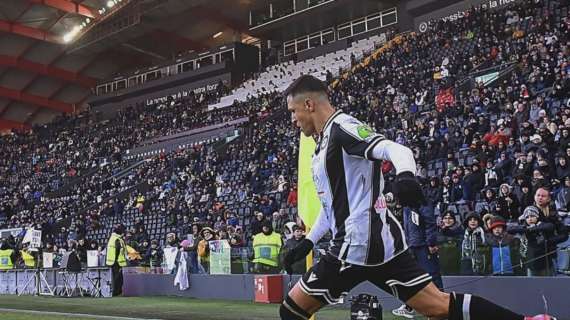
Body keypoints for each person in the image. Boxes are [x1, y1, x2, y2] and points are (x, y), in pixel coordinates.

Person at [281, 75, 554, 320]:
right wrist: (307, 242)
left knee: (291, 310)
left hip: (355, 246)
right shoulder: (322, 144)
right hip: (380, 246)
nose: (293, 120)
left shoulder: (343, 127)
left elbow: (396, 149)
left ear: (309, 105)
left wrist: (405, 176)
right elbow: (332, 209)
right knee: (438, 306)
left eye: (293, 111)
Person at [393, 205, 443, 319]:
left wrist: (431, 243)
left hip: (423, 246)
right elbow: (407, 228)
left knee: (432, 276)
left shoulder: (421, 203)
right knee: (412, 277)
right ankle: (409, 307)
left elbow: (430, 223)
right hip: (412, 246)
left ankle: (443, 307)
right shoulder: (407, 207)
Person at [105, 224, 128, 296]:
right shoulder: (118, 239)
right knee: (118, 279)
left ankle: (116, 292)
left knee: (116, 278)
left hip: (112, 262)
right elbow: (118, 250)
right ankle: (116, 293)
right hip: (117, 262)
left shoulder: (112, 238)